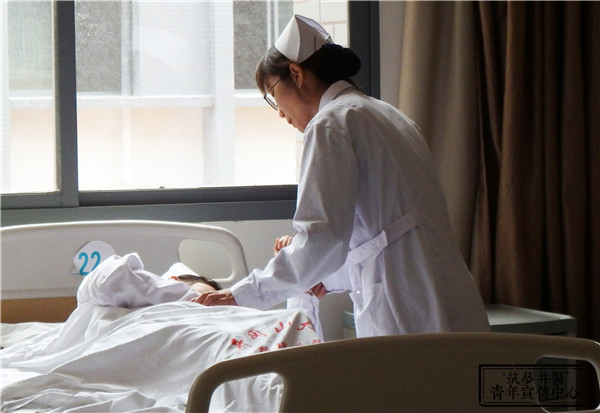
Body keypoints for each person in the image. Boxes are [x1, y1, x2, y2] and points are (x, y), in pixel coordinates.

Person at [195, 15, 490, 337]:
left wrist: (242, 294)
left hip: (406, 307)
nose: (279, 112)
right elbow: (385, 235)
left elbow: (321, 239)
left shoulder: (330, 124)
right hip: (452, 295)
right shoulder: (389, 115)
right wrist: (323, 277)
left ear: (296, 73)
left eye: (272, 94)